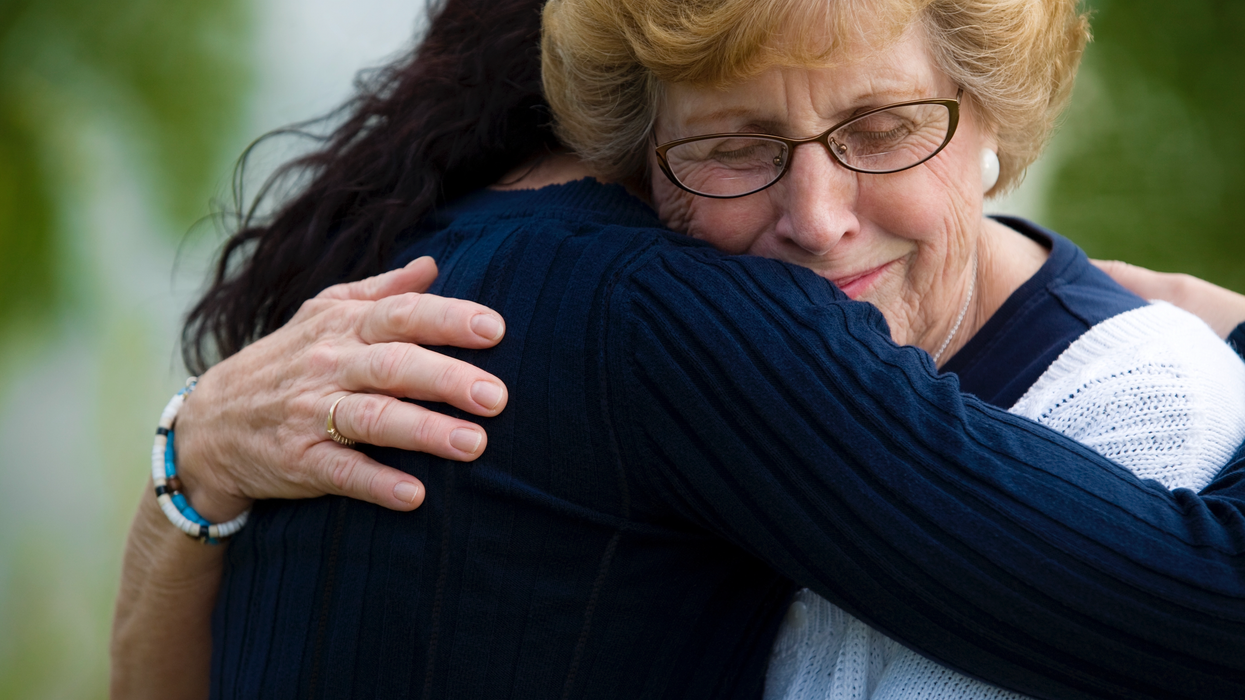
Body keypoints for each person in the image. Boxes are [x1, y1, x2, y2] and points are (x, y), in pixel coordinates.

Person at [111, 0, 1245, 698]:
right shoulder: (676, 313)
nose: (816, 216)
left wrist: (187, 458)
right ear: (634, 141)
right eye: (734, 145)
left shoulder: (397, 270)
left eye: (883, 130)